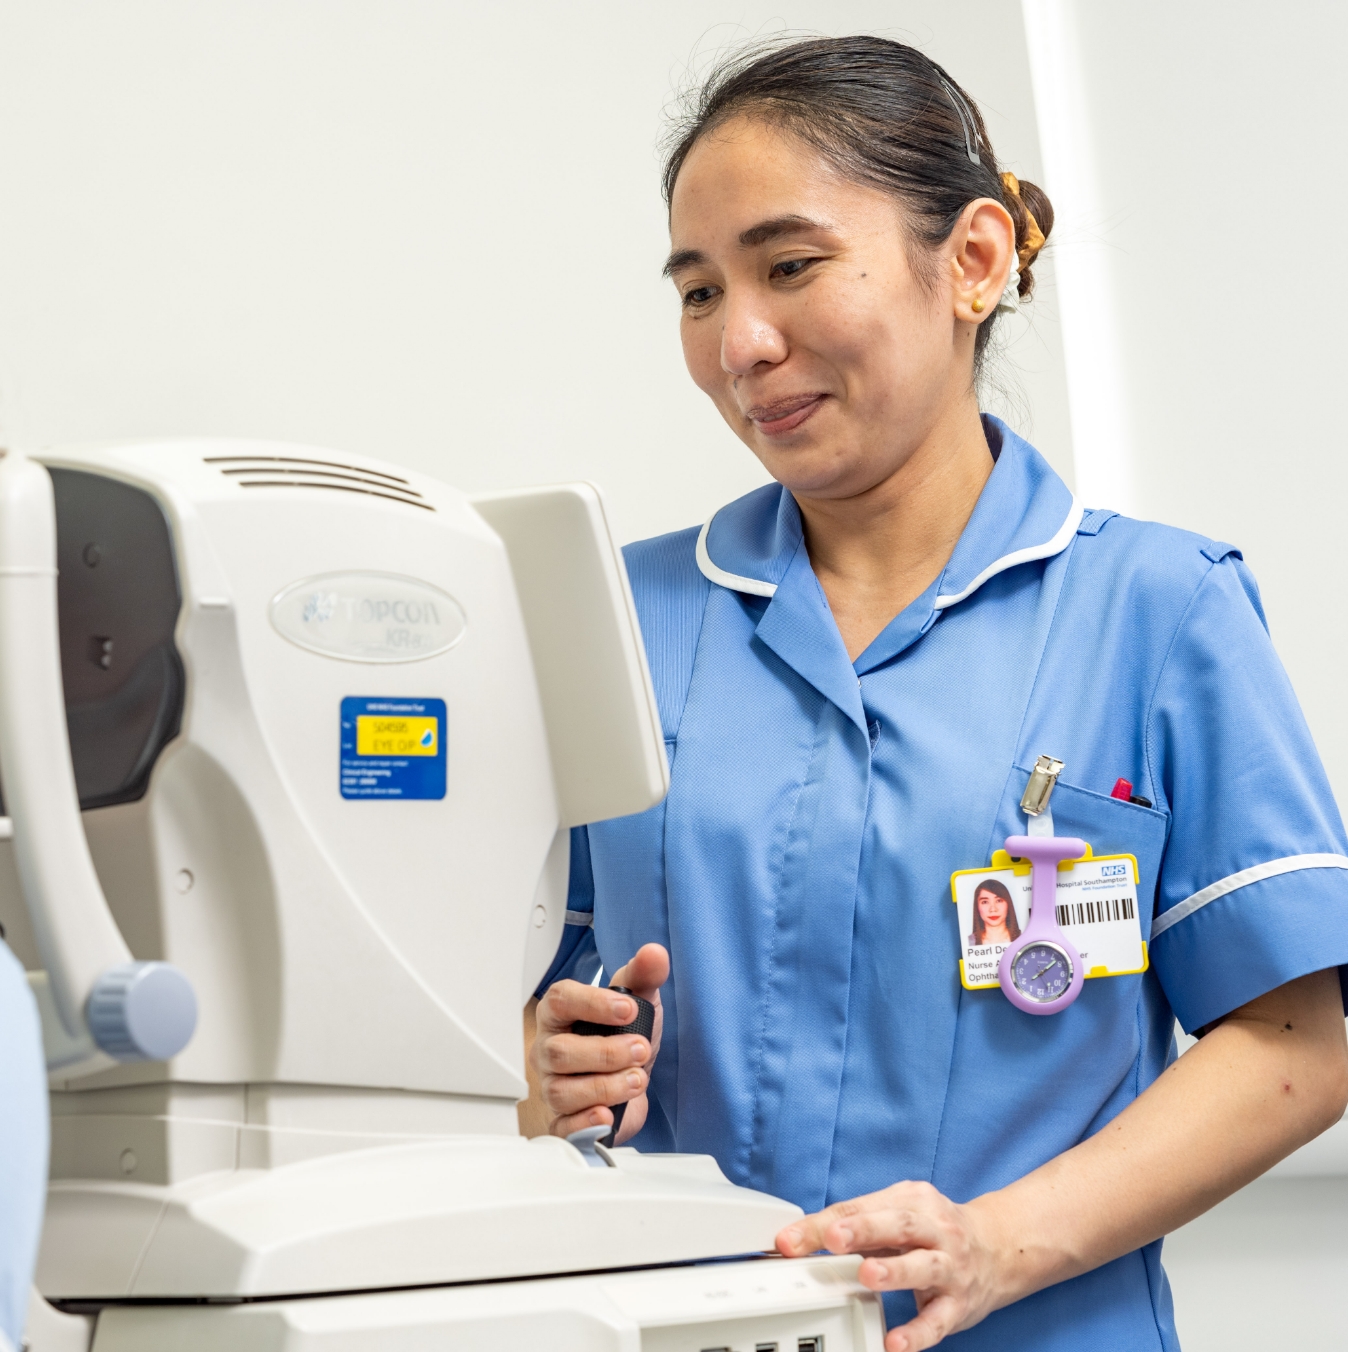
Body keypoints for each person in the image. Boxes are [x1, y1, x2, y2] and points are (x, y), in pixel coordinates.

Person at [519, 35, 1348, 1352]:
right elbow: (528, 998)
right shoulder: (618, 616)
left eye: (790, 267)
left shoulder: (1157, 610)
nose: (739, 341)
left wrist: (1002, 1241)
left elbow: (1301, 1042)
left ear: (969, 262)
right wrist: (539, 1068)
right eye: (696, 290)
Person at [967, 879, 1018, 948]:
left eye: (999, 901)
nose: (993, 909)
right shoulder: (968, 943)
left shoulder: (1024, 938)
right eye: (985, 902)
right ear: (977, 907)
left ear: (1008, 904)